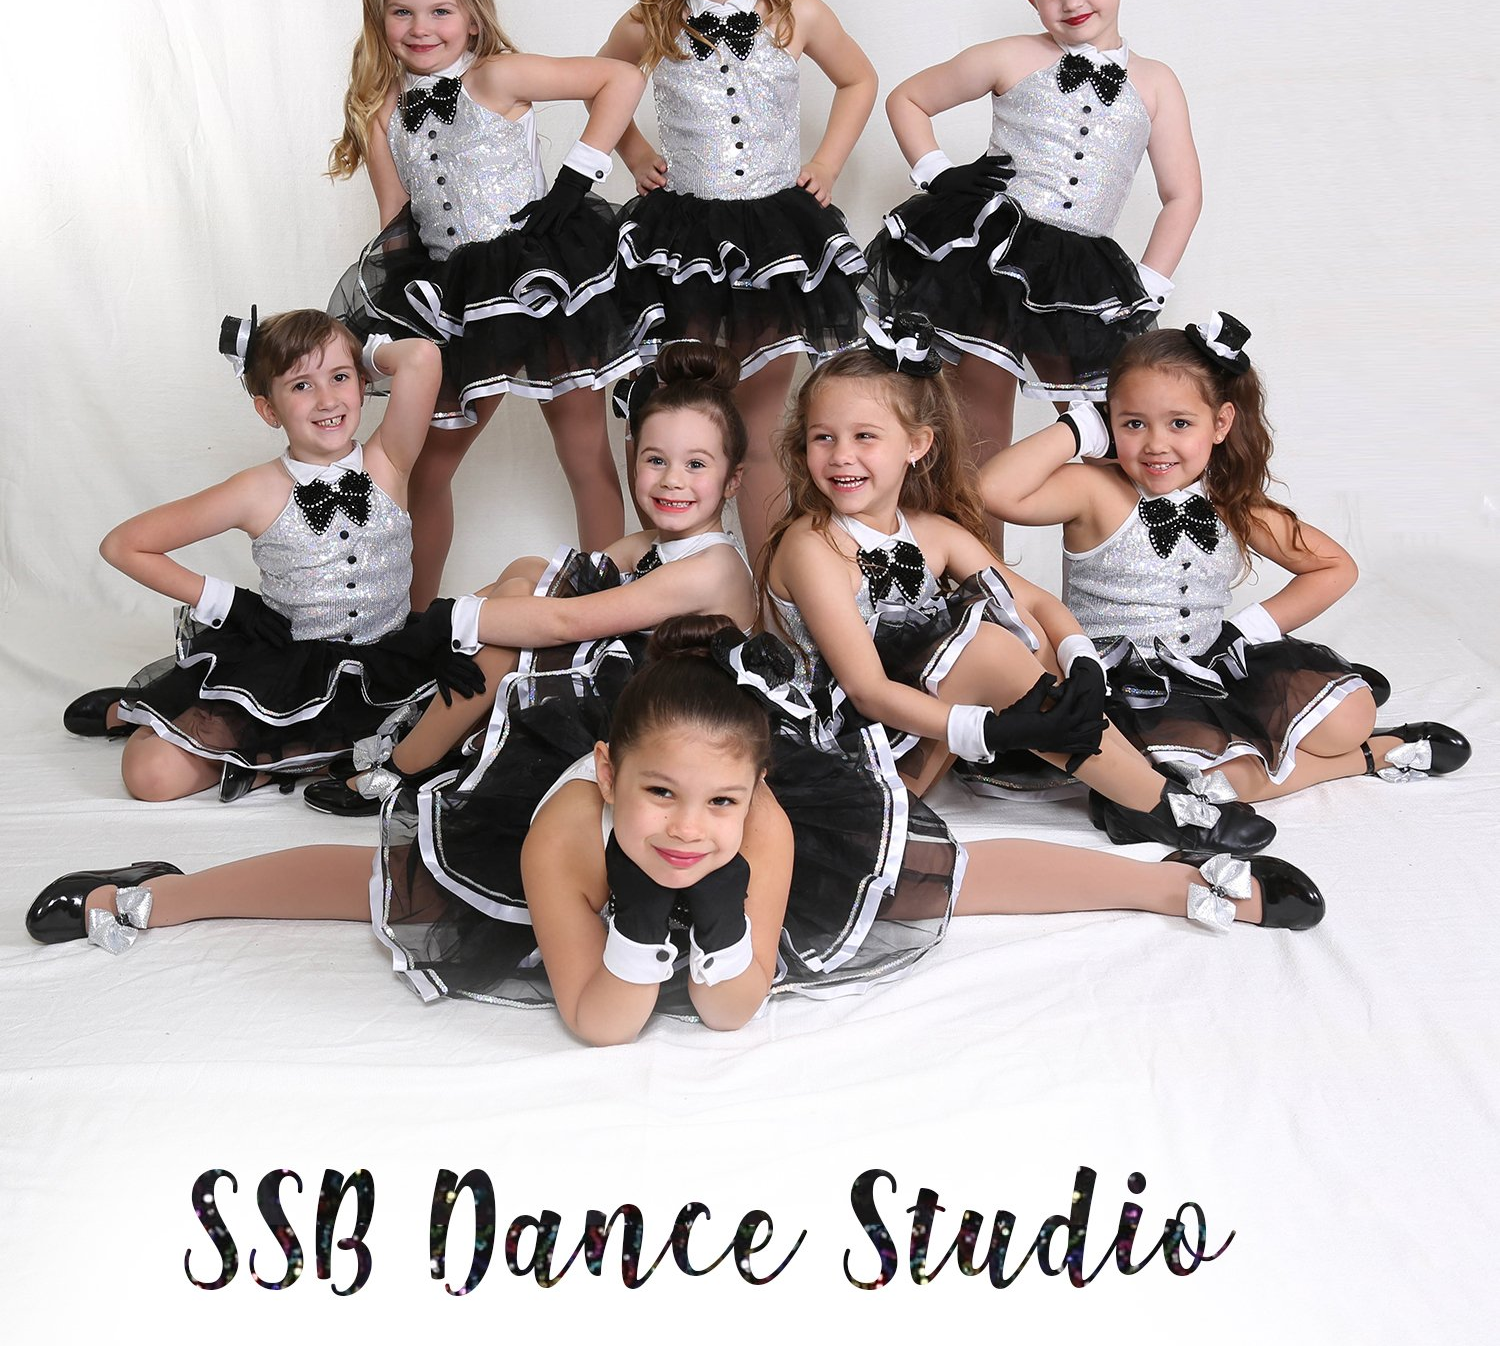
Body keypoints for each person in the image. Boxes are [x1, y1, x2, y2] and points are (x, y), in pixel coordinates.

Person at [30, 623, 1329, 1030]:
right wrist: (638, 931)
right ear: (608, 771)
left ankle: (1170, 880)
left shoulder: (751, 828)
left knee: (951, 878)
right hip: (564, 842)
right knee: (388, 886)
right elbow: (597, 1019)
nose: (687, 825)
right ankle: (162, 888)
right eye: (660, 795)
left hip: (728, 842)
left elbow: (733, 1011)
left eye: (713, 800)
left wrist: (700, 919)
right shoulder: (565, 827)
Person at [759, 322, 1279, 856]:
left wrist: (1082, 661)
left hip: (917, 738)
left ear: (916, 444)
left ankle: (1132, 790)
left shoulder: (930, 532)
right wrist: (992, 733)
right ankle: (1152, 802)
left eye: (864, 436)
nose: (841, 455)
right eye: (824, 437)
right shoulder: (811, 546)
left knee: (1022, 622)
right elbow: (868, 690)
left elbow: (1034, 601)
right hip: (843, 750)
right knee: (986, 645)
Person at [980, 315, 1471, 803]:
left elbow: (1334, 566)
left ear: (1220, 423)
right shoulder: (1092, 490)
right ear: (1110, 423)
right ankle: (1373, 757)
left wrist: (1246, 631)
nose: (1155, 444)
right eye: (1133, 423)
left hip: (1212, 664)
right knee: (1204, 783)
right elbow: (990, 491)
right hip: (1120, 685)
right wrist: (1079, 426)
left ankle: (1353, 737)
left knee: (1352, 715)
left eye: (1179, 423)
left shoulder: (1231, 500)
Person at [328, 0, 647, 599]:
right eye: (402, 12)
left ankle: (609, 614)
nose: (422, 27)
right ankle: (413, 619)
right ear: (378, 19)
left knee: (584, 451)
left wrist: (574, 180)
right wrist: (401, 318)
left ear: (472, 18)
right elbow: (395, 221)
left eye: (440, 10)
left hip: (543, 282)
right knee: (426, 467)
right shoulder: (381, 108)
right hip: (456, 295)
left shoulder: (498, 76)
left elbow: (620, 78)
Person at [302, 341, 758, 814]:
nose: (672, 481)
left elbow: (568, 622)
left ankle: (407, 765)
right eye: (656, 460)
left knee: (510, 641)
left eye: (696, 464)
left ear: (733, 480)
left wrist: (455, 618)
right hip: (640, 686)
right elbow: (555, 582)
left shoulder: (712, 566)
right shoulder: (650, 543)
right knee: (529, 570)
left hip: (677, 718)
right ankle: (435, 721)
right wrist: (449, 624)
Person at [61, 309, 482, 801]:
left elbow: (422, 356)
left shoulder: (388, 459)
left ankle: (272, 768)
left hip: (390, 660)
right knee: (148, 777)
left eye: (340, 378)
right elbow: (123, 545)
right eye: (301, 385)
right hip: (289, 670)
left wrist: (357, 350)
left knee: (477, 728)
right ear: (268, 410)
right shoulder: (255, 489)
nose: (327, 400)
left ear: (363, 385)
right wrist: (226, 603)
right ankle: (134, 709)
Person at [597, 0, 878, 562]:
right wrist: (633, 153)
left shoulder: (797, 12)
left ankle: (765, 600)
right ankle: (669, 589)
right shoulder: (651, 20)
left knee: (754, 421)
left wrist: (826, 163)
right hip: (681, 238)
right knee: (680, 417)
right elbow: (601, 87)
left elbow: (859, 79)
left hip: (776, 241)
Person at [865, 0, 1201, 466]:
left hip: (1084, 271)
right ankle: (980, 559)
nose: (1073, 2)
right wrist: (938, 174)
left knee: (1108, 423)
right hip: (995, 254)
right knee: (979, 418)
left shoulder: (1155, 82)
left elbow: (1182, 195)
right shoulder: (1010, 56)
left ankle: (1104, 552)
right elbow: (907, 98)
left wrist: (1150, 284)